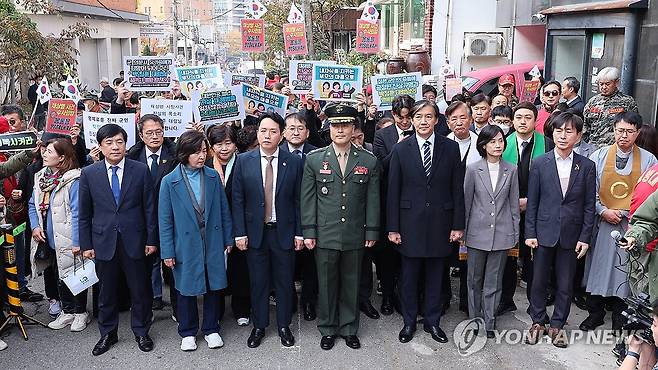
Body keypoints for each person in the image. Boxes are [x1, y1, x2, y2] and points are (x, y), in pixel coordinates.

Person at [301, 104, 380, 350]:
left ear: (354, 127)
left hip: (354, 232)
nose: (340, 130)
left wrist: (372, 230)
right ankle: (327, 328)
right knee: (326, 284)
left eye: (345, 125)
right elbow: (308, 199)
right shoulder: (314, 160)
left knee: (351, 282)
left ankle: (348, 328)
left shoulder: (368, 160)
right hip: (325, 233)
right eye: (335, 125)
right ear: (329, 128)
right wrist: (309, 231)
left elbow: (373, 199)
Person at [387, 100, 465, 344]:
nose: (423, 121)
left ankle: (433, 322)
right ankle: (409, 322)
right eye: (418, 117)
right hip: (409, 224)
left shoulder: (451, 148)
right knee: (409, 277)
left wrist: (457, 224)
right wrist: (393, 227)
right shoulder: (401, 149)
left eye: (428, 117)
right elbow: (393, 191)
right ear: (411, 119)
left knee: (435, 276)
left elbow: (457, 189)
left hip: (441, 223)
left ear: (436, 120)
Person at [79, 124, 157, 356]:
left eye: (119, 141)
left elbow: (150, 209)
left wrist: (151, 240)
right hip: (103, 241)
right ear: (100, 146)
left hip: (135, 240)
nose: (115, 147)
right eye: (109, 142)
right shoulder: (89, 173)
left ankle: (142, 331)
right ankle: (108, 333)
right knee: (106, 292)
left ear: (126, 143)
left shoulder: (140, 170)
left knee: (140, 290)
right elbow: (84, 213)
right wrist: (86, 245)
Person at [581, 113, 657, 343]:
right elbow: (587, 189)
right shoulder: (599, 156)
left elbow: (649, 194)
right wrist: (602, 210)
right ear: (614, 130)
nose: (623, 136)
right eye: (619, 130)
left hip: (631, 224)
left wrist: (624, 213)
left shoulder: (649, 160)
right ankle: (595, 312)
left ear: (637, 133)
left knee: (624, 269)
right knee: (598, 266)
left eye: (629, 132)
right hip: (602, 220)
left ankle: (619, 315)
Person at [524, 112, 597, 348]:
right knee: (538, 280)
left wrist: (585, 237)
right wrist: (530, 233)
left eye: (569, 131)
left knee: (566, 283)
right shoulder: (540, 163)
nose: (563, 136)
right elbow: (532, 202)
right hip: (544, 232)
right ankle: (537, 321)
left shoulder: (586, 166)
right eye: (558, 131)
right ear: (552, 133)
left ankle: (557, 325)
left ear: (578, 135)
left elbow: (588, 205)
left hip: (571, 234)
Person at [232, 113, 303, 348]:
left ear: (281, 134)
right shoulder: (243, 160)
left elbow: (298, 200)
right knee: (258, 282)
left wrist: (299, 233)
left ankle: (284, 325)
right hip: (255, 234)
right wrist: (240, 233)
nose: (267, 135)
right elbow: (238, 200)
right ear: (257, 133)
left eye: (273, 131)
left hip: (283, 232)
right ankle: (259, 326)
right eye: (263, 131)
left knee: (284, 282)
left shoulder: (293, 161)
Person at [159, 130, 232, 351]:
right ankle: (188, 331)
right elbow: (164, 220)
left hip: (213, 239)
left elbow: (223, 210)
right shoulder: (169, 181)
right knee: (185, 287)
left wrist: (228, 238)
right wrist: (167, 251)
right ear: (184, 153)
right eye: (196, 152)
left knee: (213, 286)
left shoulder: (211, 176)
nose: (201, 156)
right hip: (184, 243)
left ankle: (211, 328)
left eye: (203, 151)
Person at [497, 102, 554, 316]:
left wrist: (530, 201)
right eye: (518, 117)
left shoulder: (547, 144)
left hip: (537, 212)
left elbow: (552, 181)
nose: (522, 121)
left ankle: (535, 305)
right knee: (508, 258)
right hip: (507, 211)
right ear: (512, 120)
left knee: (535, 261)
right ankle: (506, 300)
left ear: (535, 120)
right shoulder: (502, 143)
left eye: (527, 117)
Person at [463, 125, 520, 338]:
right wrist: (463, 233)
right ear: (483, 145)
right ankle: (474, 318)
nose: (498, 145)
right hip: (476, 233)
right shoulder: (473, 169)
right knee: (474, 280)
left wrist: (515, 233)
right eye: (493, 141)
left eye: (501, 141)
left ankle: (489, 321)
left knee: (494, 281)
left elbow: (514, 205)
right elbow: (467, 202)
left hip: (502, 233)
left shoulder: (511, 169)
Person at [28, 138, 89, 331]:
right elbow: (32, 204)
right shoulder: (40, 177)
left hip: (68, 237)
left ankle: (81, 313)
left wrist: (78, 241)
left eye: (49, 152)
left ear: (62, 157)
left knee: (75, 275)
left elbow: (78, 212)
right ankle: (67, 311)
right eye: (44, 151)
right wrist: (35, 226)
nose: (44, 154)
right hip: (47, 237)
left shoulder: (74, 179)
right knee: (58, 275)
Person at [126, 114, 177, 312]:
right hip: (143, 218)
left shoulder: (175, 154)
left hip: (170, 216)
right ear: (141, 135)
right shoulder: (133, 156)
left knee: (172, 262)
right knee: (148, 260)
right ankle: (153, 298)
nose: (155, 136)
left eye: (159, 132)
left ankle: (177, 303)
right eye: (149, 133)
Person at [206, 124, 251, 325]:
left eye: (228, 143)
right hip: (213, 227)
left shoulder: (245, 163)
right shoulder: (205, 165)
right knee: (214, 269)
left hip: (239, 224)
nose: (224, 149)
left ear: (235, 144)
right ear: (211, 145)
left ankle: (242, 309)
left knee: (240, 269)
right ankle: (216, 311)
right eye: (218, 144)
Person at [280, 112, 318, 321]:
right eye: (291, 128)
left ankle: (309, 303)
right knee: (286, 264)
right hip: (284, 218)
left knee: (310, 265)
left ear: (308, 132)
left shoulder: (316, 154)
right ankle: (289, 301)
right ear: (284, 132)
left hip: (311, 217)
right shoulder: (275, 153)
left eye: (300, 128)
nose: (296, 132)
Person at [584, 67, 639, 147]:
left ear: (616, 82)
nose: (604, 87)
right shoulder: (593, 102)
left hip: (616, 149)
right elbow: (585, 126)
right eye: (601, 84)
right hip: (593, 148)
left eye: (607, 84)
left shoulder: (627, 102)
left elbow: (634, 126)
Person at [446, 101, 480, 167]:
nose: (459, 123)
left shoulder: (480, 143)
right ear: (448, 124)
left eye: (462, 118)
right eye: (454, 119)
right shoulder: (442, 145)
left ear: (471, 120)